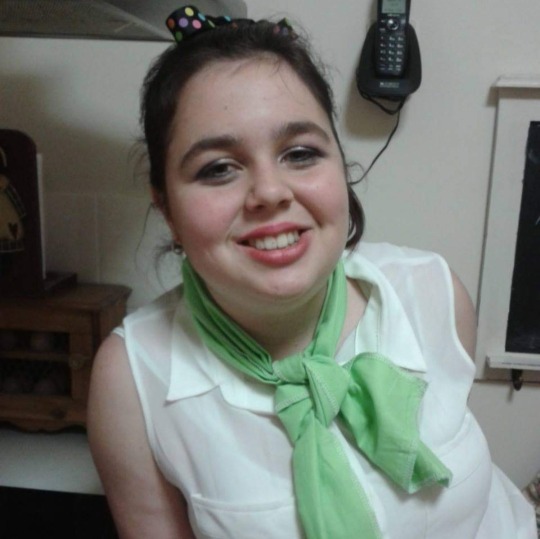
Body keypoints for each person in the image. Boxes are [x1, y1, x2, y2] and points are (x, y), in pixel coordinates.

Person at [87, 5, 536, 539]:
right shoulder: (132, 380)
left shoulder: (432, 294)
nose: (270, 192)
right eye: (218, 168)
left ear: (340, 169)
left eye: (300, 154)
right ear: (165, 206)